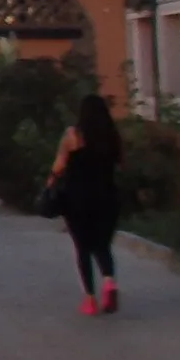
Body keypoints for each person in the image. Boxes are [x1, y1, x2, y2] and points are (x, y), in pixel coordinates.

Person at [46, 93, 123, 315]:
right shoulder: (112, 136)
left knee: (83, 248)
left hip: (77, 198)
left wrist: (51, 181)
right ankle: (109, 282)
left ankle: (90, 299)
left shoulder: (73, 136)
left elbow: (60, 165)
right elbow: (120, 164)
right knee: (102, 245)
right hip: (107, 197)